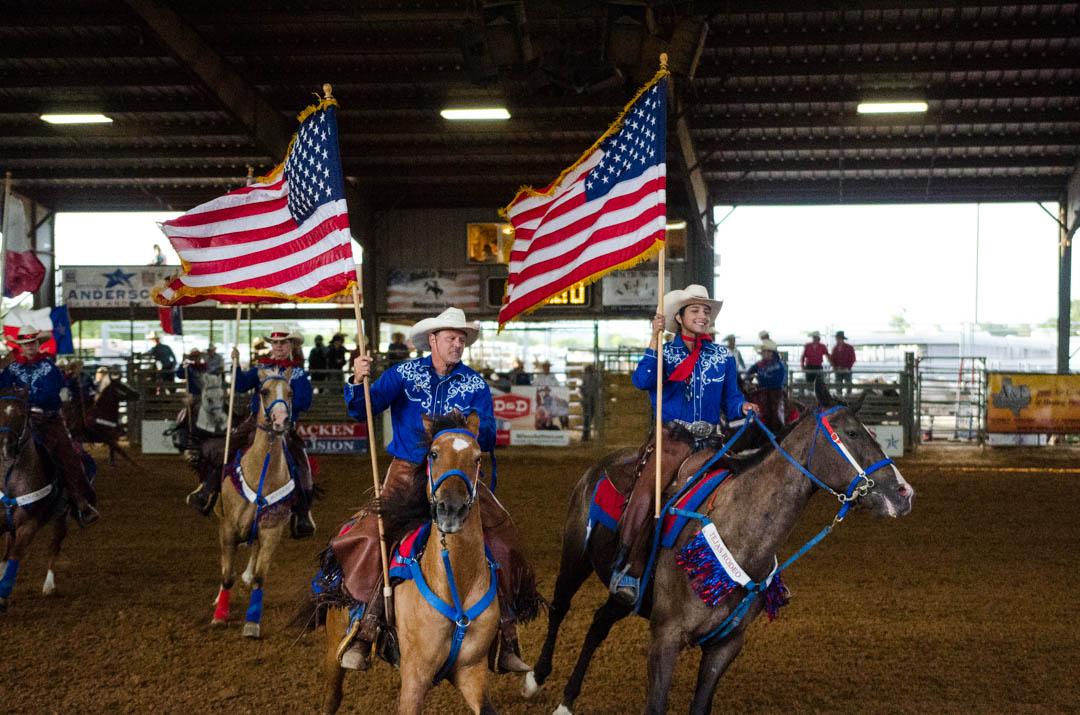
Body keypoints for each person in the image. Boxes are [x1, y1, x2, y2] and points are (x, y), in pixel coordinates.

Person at [337, 306, 534, 673]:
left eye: (461, 339)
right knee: (375, 533)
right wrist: (356, 379)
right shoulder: (404, 374)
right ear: (432, 341)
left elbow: (488, 435)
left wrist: (470, 429)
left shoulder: (475, 384)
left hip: (458, 475)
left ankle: (506, 634)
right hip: (408, 470)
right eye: (450, 338)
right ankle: (364, 627)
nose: (457, 344)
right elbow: (362, 408)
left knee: (501, 534)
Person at [610, 284, 758, 606]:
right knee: (647, 494)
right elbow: (642, 381)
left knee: (742, 494)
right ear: (678, 317)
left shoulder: (723, 356)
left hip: (711, 442)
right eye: (695, 310)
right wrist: (654, 338)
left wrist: (743, 407)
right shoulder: (665, 354)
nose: (703, 315)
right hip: (671, 441)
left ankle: (748, 569)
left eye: (706, 311)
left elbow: (731, 399)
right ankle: (628, 567)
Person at [185, 326, 316, 539]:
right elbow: (241, 385)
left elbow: (305, 401)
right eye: (276, 343)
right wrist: (236, 366)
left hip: (285, 426)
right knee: (228, 446)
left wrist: (285, 407)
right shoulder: (261, 367)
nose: (279, 347)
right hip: (255, 422)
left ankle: (302, 512)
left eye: (283, 343)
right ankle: (208, 489)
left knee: (301, 462)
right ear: (271, 346)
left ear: (291, 345)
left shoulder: (298, 372)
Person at [0, 327, 98, 527]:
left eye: (33, 343)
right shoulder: (11, 369)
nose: (30, 347)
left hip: (47, 421)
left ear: (38, 344)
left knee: (69, 455)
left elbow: (51, 394)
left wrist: (25, 399)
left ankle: (79, 500)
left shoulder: (48, 366)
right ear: (20, 346)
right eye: (26, 344)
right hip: (17, 420)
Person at [746, 338, 788, 426]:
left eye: (767, 352)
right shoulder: (760, 364)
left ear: (771, 353)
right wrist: (750, 379)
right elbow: (749, 372)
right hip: (762, 390)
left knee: (773, 409)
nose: (764, 354)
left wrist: (759, 379)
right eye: (764, 352)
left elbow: (777, 380)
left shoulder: (778, 365)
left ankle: (776, 426)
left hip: (774, 391)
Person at [579, 363, 601, 441]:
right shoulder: (593, 377)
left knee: (587, 418)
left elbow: (581, 388)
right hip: (590, 399)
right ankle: (585, 436)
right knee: (588, 418)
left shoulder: (585, 376)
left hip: (587, 399)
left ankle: (585, 435)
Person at [831, 330, 856, 394]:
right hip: (838, 370)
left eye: (839, 338)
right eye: (837, 338)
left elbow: (853, 358)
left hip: (847, 370)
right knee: (838, 386)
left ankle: (849, 399)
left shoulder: (849, 347)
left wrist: (848, 367)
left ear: (842, 339)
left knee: (849, 385)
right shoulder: (835, 348)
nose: (837, 339)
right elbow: (832, 359)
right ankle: (839, 399)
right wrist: (835, 367)